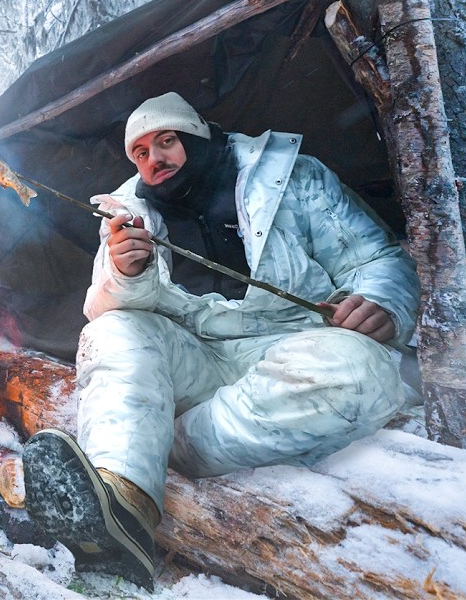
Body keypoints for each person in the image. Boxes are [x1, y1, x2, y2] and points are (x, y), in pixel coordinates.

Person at [22, 92, 419, 588]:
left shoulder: (292, 176)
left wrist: (383, 305)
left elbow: (378, 260)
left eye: (166, 142)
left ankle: (163, 450)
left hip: (299, 350)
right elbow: (102, 313)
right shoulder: (126, 211)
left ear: (197, 135)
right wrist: (129, 273)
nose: (154, 160)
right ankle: (121, 508)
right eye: (140, 153)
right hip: (204, 357)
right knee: (109, 330)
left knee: (360, 374)